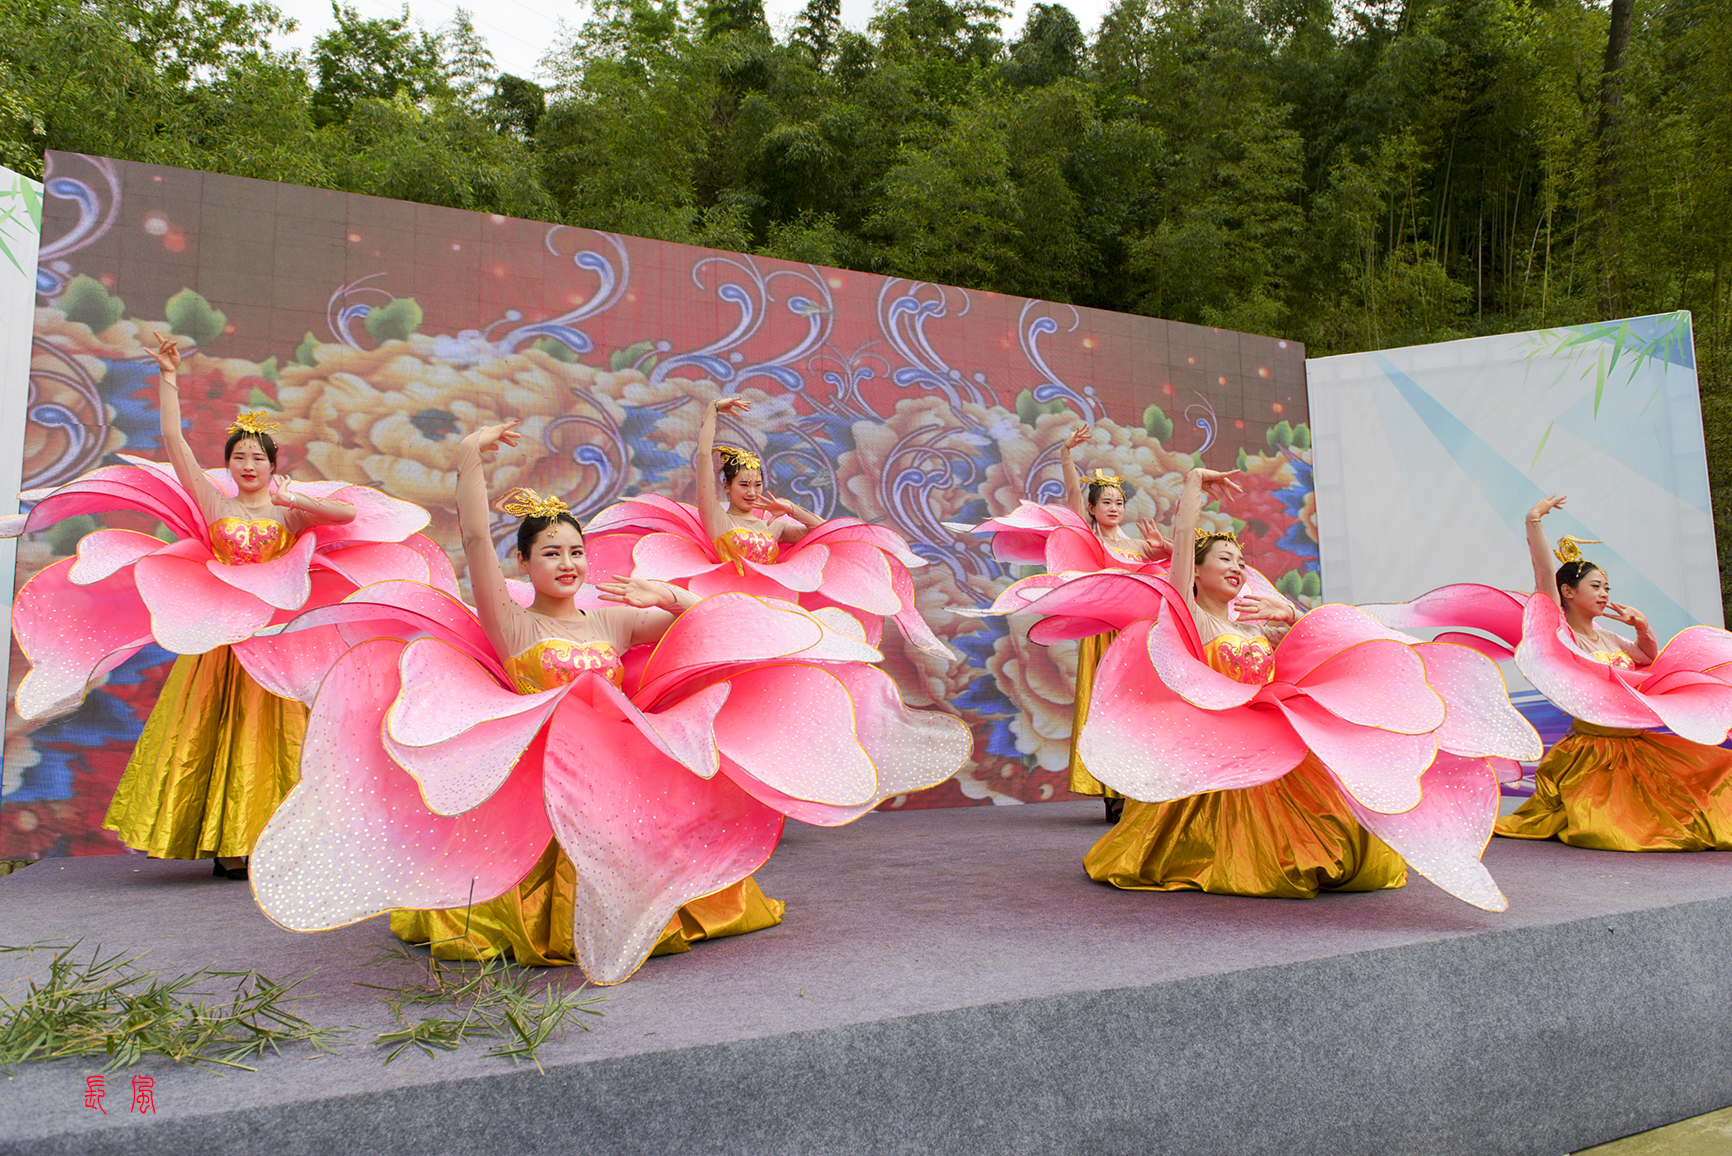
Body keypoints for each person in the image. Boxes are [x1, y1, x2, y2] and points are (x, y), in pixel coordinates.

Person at [391, 419, 785, 965]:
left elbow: (708, 623)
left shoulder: (611, 622)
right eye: (551, 553)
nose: (567, 564)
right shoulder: (512, 624)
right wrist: (468, 454)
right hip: (539, 781)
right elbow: (477, 538)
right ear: (523, 563)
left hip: (611, 773)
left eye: (576, 552)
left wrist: (666, 594)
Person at [1082, 465, 1413, 897]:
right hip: (1217, 751)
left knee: (1350, 837)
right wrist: (1194, 484)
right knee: (1269, 857)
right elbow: (1184, 543)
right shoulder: (1192, 620)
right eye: (1224, 559)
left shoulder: (1254, 627)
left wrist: (1290, 614)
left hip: (1269, 747)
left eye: (1240, 562)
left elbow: (1325, 641)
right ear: (1196, 572)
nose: (1237, 567)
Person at [104, 333, 356, 879]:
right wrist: (169, 377)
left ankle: (276, 841)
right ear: (228, 465)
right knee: (212, 735)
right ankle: (226, 842)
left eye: (258, 457)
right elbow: (174, 441)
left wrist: (295, 498)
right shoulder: (215, 503)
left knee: (275, 739)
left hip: (271, 642)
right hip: (218, 638)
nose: (248, 464)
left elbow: (345, 516)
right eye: (239, 456)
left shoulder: (288, 514)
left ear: (272, 465)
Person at [1493, 494, 1732, 849]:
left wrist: (1642, 627)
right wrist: (1534, 520)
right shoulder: (1562, 633)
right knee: (1619, 828)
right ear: (1567, 591)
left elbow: (1646, 658)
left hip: (1634, 744)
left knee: (1718, 769)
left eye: (1607, 588)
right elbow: (1544, 574)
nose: (1604, 594)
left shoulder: (1610, 638)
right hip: (1594, 753)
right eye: (1596, 587)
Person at [1057, 424, 1170, 821]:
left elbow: (1175, 571)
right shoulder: (1090, 540)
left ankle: (1139, 789)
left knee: (1139, 712)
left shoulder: (1139, 546)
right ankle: (1113, 792)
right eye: (1105, 501)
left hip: (1137, 638)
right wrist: (1066, 455)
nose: (1113, 507)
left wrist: (1163, 550)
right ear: (1092, 508)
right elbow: (1073, 496)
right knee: (1106, 712)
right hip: (1103, 636)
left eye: (1119, 501)